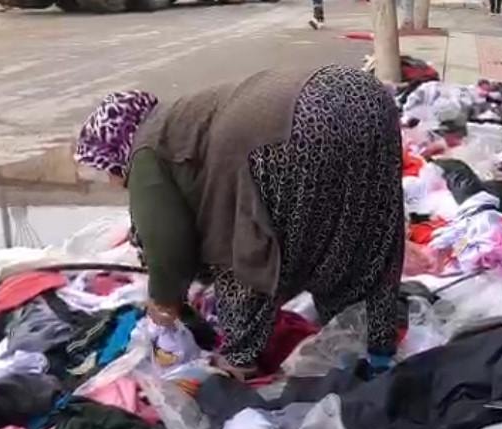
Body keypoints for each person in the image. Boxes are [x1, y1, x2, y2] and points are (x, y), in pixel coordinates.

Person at [73, 66, 405, 378]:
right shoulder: (178, 119)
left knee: (245, 248)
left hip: (298, 126)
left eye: (103, 169)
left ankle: (239, 361)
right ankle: (375, 349)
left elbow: (169, 243)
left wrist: (163, 307)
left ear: (113, 150)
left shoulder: (144, 150)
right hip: (364, 95)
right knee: (365, 231)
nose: (111, 180)